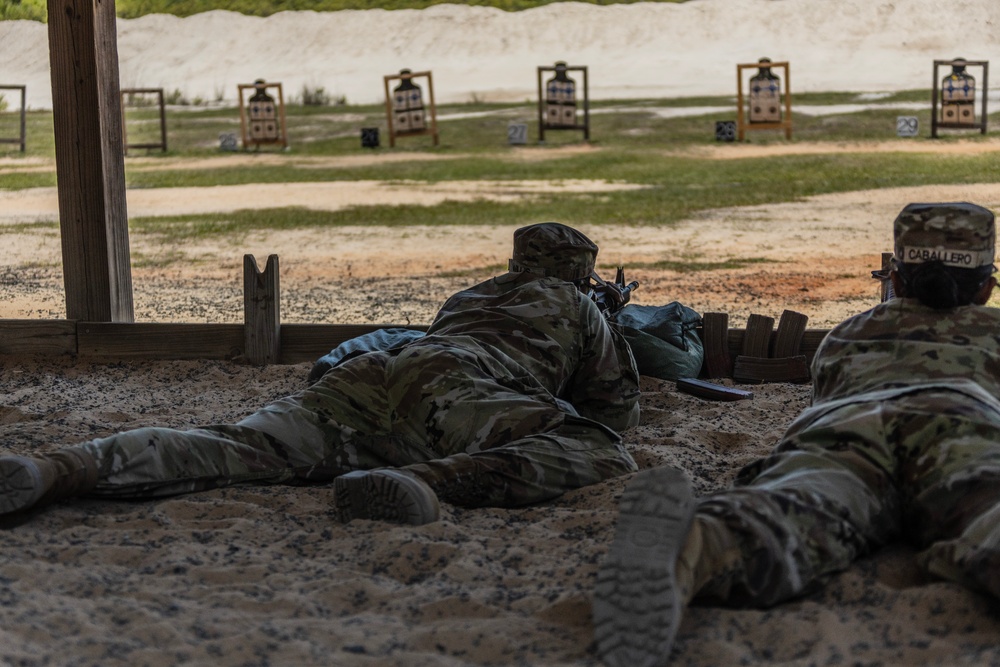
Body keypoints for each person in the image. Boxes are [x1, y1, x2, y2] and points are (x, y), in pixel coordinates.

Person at [0, 222, 640, 525]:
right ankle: (416, 481)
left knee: (231, 443)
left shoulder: (467, 297)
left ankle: (63, 466)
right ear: (582, 273)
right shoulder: (580, 304)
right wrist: (604, 328)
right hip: (459, 391)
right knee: (601, 452)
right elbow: (614, 414)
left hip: (367, 377)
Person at [593, 202, 1000, 667]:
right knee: (986, 507)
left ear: (897, 280)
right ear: (987, 286)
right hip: (959, 420)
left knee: (801, 503)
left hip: (843, 425)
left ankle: (698, 540)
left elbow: (822, 401)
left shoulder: (848, 335)